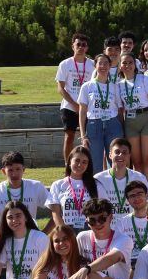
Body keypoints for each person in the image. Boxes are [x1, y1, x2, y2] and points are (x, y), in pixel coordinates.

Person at [77, 53, 125, 172]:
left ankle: (116, 184)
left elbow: (120, 110)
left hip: (113, 125)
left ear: (110, 66)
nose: (103, 66)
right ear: (95, 66)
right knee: (95, 163)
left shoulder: (115, 87)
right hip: (94, 125)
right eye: (100, 63)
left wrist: (123, 130)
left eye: (106, 63)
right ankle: (95, 185)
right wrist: (83, 136)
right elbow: (82, 112)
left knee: (116, 161)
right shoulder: (87, 86)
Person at [0, 152, 50, 229]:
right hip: (4, 234)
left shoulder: (36, 186)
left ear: (23, 169)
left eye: (18, 169)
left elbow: (56, 211)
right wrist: (2, 235)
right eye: (10, 170)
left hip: (29, 234)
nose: (14, 174)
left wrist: (43, 233)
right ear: (3, 171)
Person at [118, 53, 148, 174]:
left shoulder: (144, 79)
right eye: (124, 63)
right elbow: (121, 108)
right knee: (136, 161)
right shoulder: (119, 84)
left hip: (146, 117)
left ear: (135, 64)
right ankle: (139, 185)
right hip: (130, 121)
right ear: (120, 66)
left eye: (130, 62)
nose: (127, 65)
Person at [56, 33, 95, 165]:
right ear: (72, 46)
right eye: (78, 44)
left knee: (88, 138)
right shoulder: (65, 64)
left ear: (87, 48)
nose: (81, 47)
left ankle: (87, 167)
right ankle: (68, 166)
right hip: (69, 106)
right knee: (69, 137)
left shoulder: (92, 64)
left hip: (88, 107)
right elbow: (60, 88)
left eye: (84, 45)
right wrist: (74, 104)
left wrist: (84, 106)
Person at [48, 146, 101, 233]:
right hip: (67, 231)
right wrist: (65, 233)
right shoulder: (58, 185)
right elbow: (55, 214)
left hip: (90, 231)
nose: (80, 165)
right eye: (77, 160)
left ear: (88, 165)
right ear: (69, 161)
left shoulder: (96, 184)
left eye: (84, 162)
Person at [95, 139, 148, 217]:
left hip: (131, 223)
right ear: (110, 155)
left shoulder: (139, 178)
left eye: (124, 152)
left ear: (129, 155)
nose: (120, 155)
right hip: (107, 224)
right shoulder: (98, 179)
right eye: (117, 152)